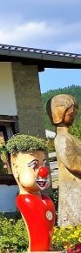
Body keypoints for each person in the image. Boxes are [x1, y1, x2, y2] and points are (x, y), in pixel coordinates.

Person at [48, 94, 81, 227]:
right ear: (60, 113)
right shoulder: (62, 138)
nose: (74, 116)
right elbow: (72, 163)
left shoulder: (70, 137)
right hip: (72, 185)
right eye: (71, 113)